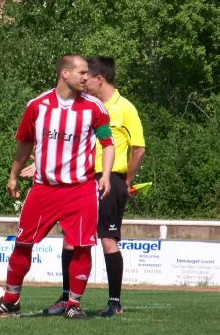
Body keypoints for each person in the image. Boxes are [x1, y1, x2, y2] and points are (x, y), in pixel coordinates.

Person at [0, 54, 115, 320]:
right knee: (23, 242)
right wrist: (13, 176)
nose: (86, 77)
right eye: (81, 72)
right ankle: (10, 299)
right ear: (65, 73)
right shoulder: (37, 106)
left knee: (82, 246)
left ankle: (73, 304)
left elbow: (107, 144)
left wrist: (106, 175)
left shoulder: (94, 107)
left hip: (81, 188)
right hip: (44, 188)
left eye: (87, 73)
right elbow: (24, 145)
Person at [42, 56, 145, 317]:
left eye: (88, 78)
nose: (84, 82)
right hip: (82, 180)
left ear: (100, 79)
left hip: (110, 181)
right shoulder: (85, 107)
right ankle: (67, 299)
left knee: (108, 240)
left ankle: (114, 302)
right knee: (70, 239)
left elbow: (138, 149)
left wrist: (126, 181)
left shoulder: (125, 108)